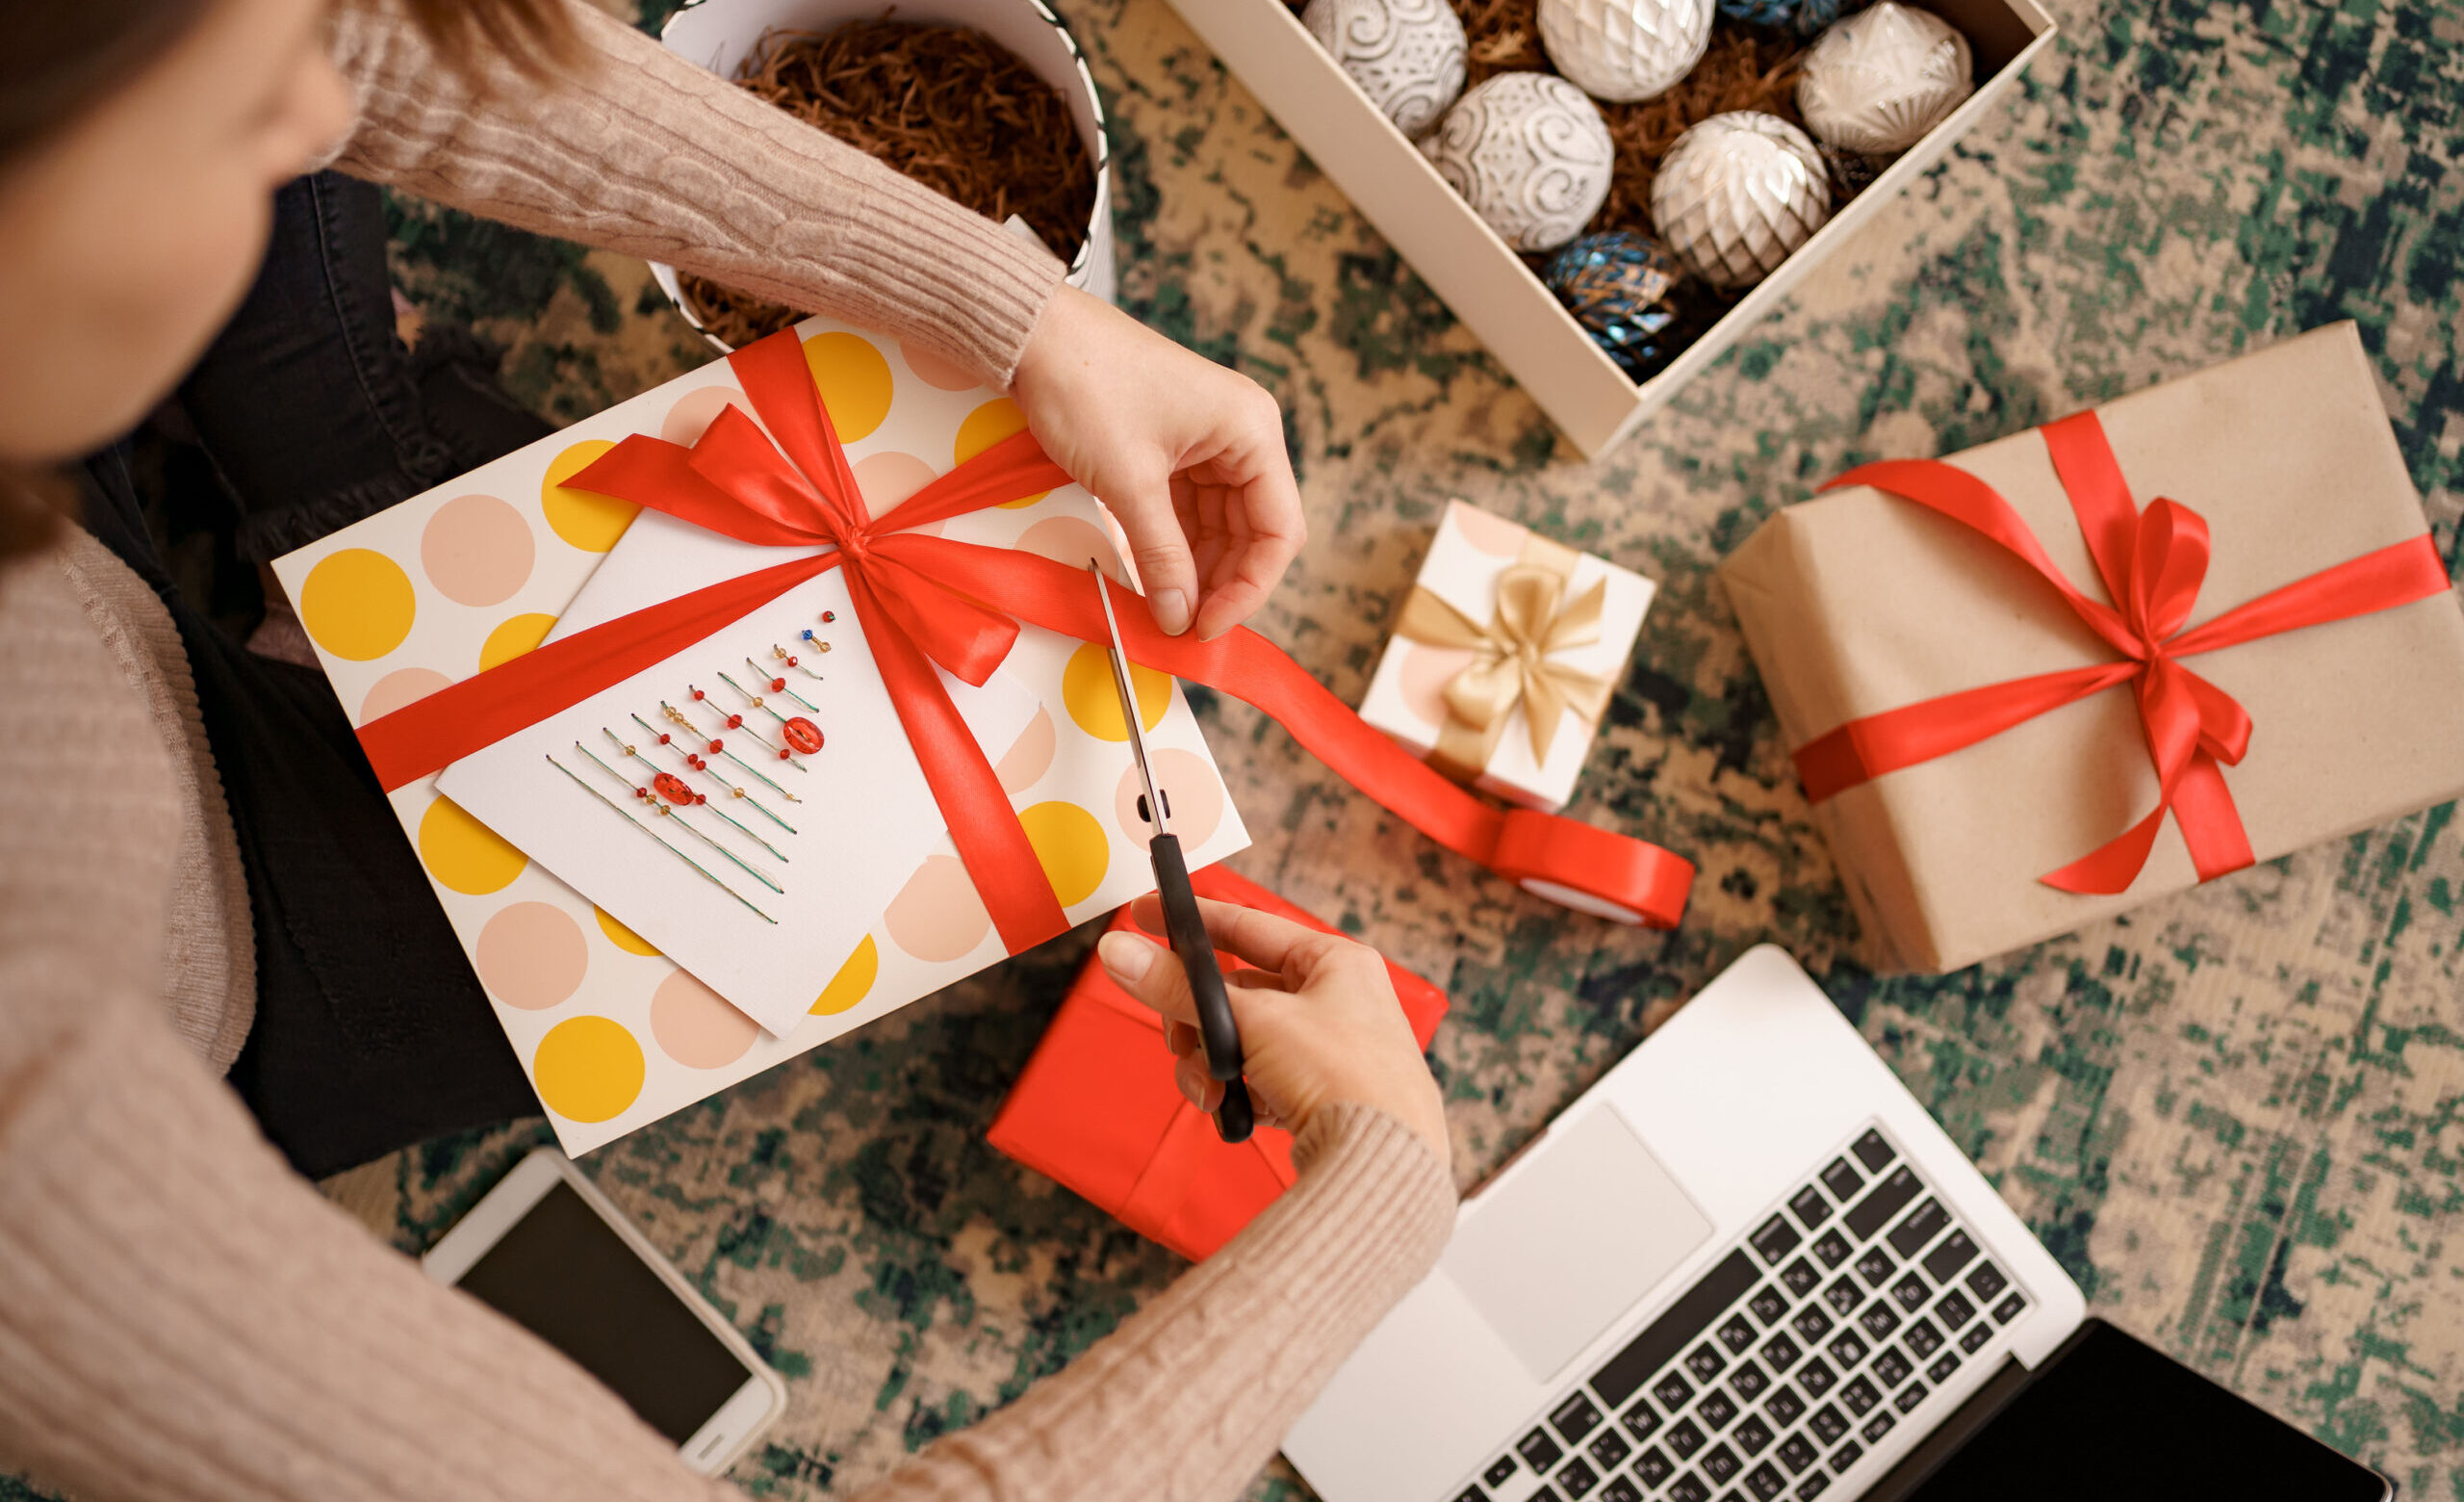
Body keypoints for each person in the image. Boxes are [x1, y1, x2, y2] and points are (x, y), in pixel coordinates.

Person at [0, 0, 1454, 1497]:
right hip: (216, 977)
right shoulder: (35, 1162)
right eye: (238, 109)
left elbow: (359, 56)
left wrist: (1020, 313)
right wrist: (1386, 1189)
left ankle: (331, 524)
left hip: (81, 608)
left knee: (376, 423)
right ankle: (337, 525)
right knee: (662, 936)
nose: (326, 123)